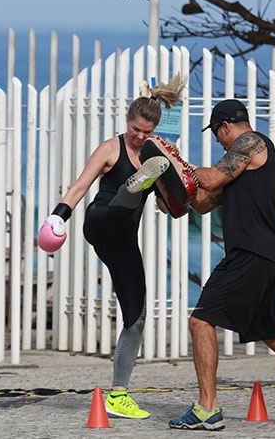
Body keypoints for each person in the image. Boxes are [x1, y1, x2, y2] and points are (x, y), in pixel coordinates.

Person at [168, 99, 275, 431]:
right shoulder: (239, 166)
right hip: (268, 255)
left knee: (201, 321)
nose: (217, 140)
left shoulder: (252, 142)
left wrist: (176, 163)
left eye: (217, 134)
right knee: (272, 332)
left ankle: (207, 409)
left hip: (250, 252)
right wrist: (171, 192)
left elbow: (212, 179)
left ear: (226, 127)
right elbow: (203, 203)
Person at [40, 75, 186, 419]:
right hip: (100, 220)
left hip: (122, 241)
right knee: (127, 195)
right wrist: (58, 216)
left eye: (147, 133)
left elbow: (169, 205)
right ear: (128, 121)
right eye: (136, 129)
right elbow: (80, 186)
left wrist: (175, 199)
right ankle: (134, 186)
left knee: (136, 317)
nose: (140, 136)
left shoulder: (157, 152)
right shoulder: (111, 148)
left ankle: (118, 395)